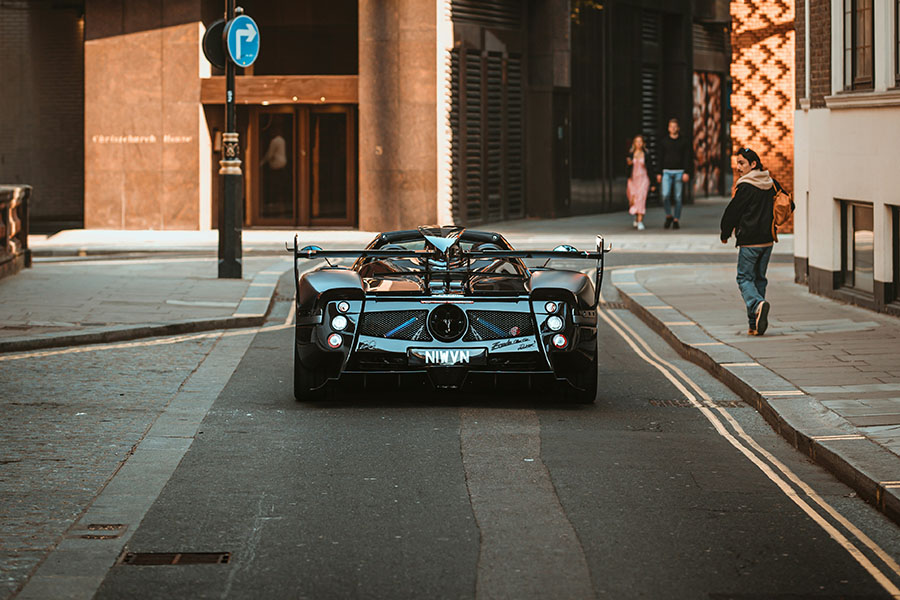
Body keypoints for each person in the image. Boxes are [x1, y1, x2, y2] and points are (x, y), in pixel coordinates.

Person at [720, 147, 783, 336]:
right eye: (737, 163)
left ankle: (756, 305)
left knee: (744, 278)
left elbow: (733, 211)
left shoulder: (746, 186)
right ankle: (754, 325)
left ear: (753, 164)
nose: (737, 167)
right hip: (767, 242)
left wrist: (725, 232)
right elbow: (789, 203)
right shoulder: (771, 183)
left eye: (741, 163)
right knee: (759, 280)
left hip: (750, 241)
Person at [656, 118, 692, 229]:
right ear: (668, 128)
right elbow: (659, 158)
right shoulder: (664, 141)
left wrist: (687, 172)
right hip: (666, 172)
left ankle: (676, 219)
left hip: (679, 172)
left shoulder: (684, 141)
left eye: (675, 126)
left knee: (678, 197)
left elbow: (687, 157)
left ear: (678, 128)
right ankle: (668, 215)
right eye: (671, 126)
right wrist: (659, 173)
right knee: (665, 195)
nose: (673, 128)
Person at [626, 135, 652, 230]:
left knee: (641, 199)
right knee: (633, 199)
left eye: (640, 141)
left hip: (644, 179)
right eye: (637, 141)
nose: (639, 143)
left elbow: (650, 169)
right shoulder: (631, 154)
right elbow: (626, 170)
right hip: (633, 180)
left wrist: (653, 183)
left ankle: (640, 220)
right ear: (634, 143)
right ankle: (637, 218)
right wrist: (629, 164)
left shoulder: (646, 154)